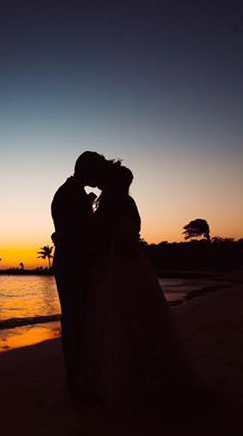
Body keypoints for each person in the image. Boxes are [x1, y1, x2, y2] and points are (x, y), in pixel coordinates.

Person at [84, 162, 196, 411]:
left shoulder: (113, 204)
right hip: (132, 263)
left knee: (119, 317)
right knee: (139, 315)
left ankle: (125, 381)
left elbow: (103, 234)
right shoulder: (128, 203)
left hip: (115, 265)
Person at [51, 151, 108, 396]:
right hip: (72, 266)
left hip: (75, 264)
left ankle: (80, 376)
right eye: (97, 171)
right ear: (86, 170)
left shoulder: (73, 192)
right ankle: (75, 381)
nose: (99, 176)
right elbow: (76, 234)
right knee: (74, 320)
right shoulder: (67, 194)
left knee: (80, 320)